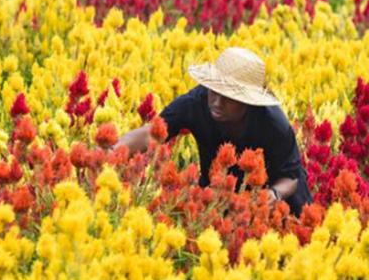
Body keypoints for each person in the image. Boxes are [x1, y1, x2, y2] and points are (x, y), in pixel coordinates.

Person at [114, 46, 313, 214]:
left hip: (274, 205)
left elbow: (292, 177)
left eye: (228, 96)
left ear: (247, 100)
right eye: (214, 91)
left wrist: (273, 195)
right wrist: (112, 151)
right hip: (217, 197)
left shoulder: (273, 123)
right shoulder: (196, 103)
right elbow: (153, 132)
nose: (217, 102)